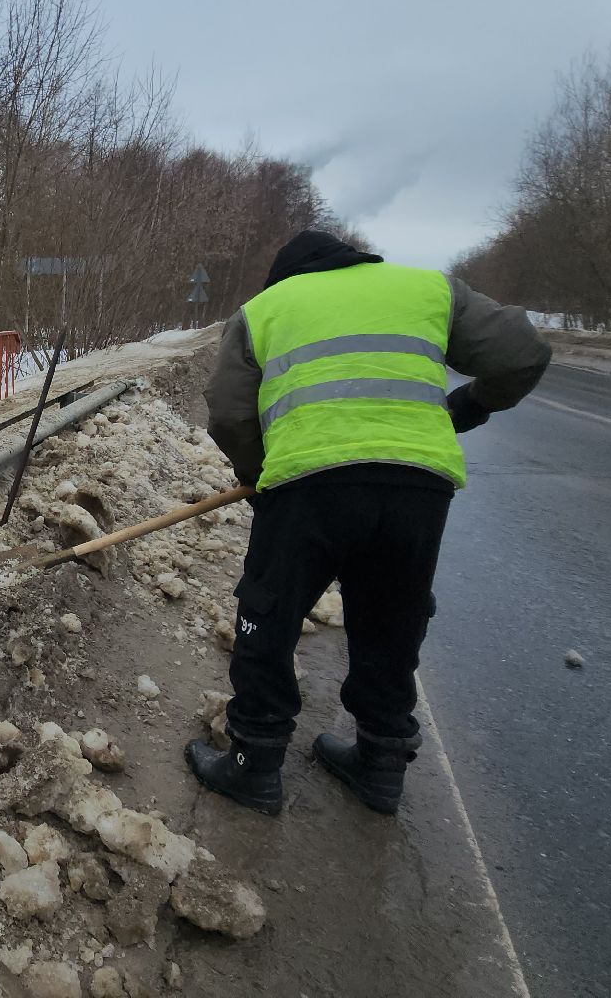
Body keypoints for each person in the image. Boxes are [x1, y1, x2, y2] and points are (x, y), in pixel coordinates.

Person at [187, 230, 550, 816]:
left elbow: (229, 414)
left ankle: (254, 766)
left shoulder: (265, 309)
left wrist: (262, 478)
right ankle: (380, 766)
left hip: (309, 484)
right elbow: (523, 353)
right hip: (417, 487)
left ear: (287, 277)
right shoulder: (430, 289)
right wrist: (471, 406)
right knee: (391, 617)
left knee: (269, 614)